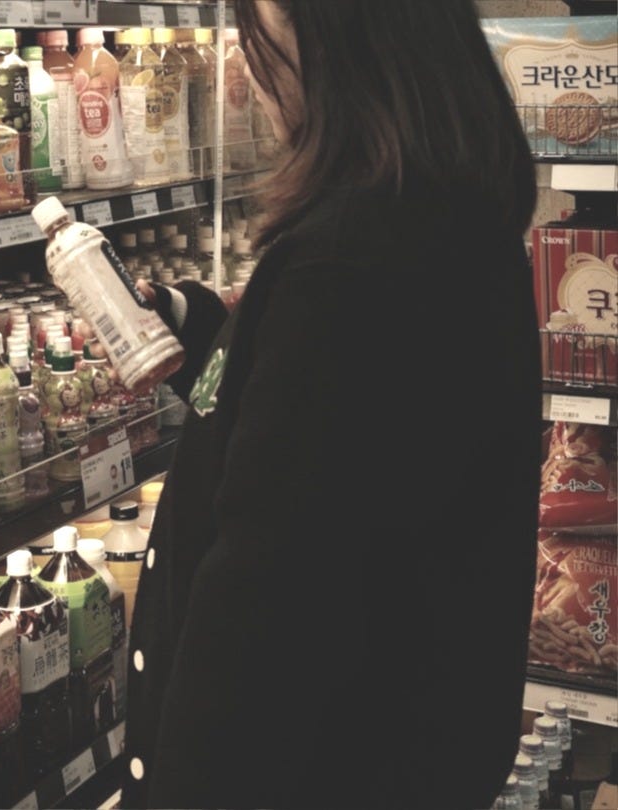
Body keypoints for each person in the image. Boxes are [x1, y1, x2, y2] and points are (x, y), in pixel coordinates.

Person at [83, 2, 542, 807]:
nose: (253, 69)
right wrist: (206, 331)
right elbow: (335, 441)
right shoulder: (449, 214)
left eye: (262, 29)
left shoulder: (347, 272)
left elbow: (260, 652)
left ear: (337, 38)